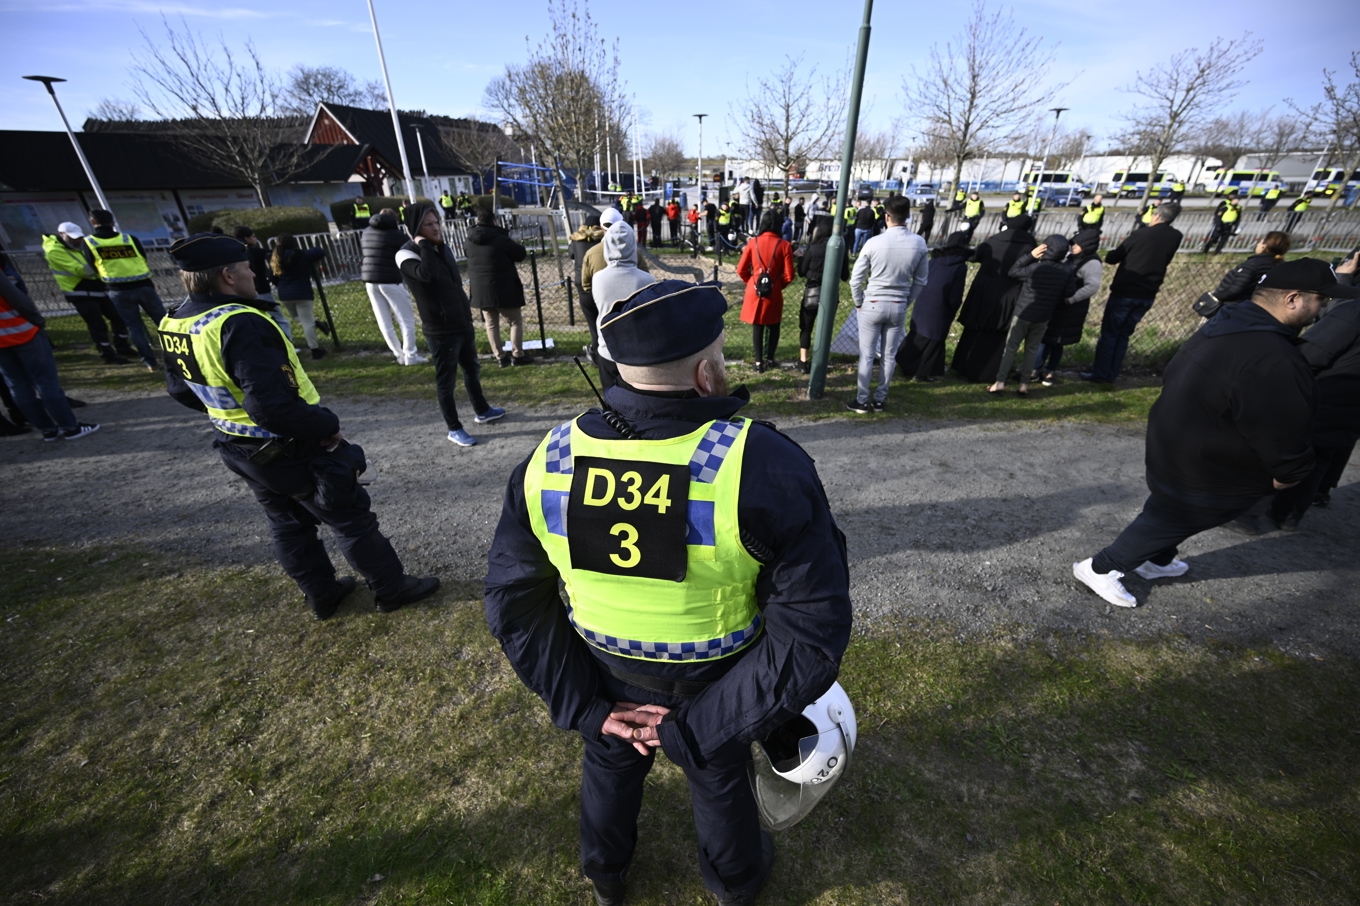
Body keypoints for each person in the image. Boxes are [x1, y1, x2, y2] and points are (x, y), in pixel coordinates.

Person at [483, 279, 852, 906]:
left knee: (609, 761)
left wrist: (588, 708)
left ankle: (605, 876)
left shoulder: (547, 460)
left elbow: (515, 605)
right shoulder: (761, 463)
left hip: (607, 675)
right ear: (708, 372)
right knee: (719, 778)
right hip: (719, 681)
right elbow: (810, 631)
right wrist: (709, 726)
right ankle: (735, 883)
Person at [158, 233, 438, 618]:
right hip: (287, 445)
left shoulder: (174, 319)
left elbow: (180, 389)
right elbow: (269, 407)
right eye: (247, 269)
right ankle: (391, 589)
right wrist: (325, 426)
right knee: (349, 517)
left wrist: (227, 412)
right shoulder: (240, 323)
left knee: (287, 523)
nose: (255, 275)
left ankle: (322, 595)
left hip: (236, 445)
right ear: (227, 275)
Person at [1071, 259, 1353, 608]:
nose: (1322, 309)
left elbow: (1178, 371)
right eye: (1321, 300)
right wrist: (1291, 472)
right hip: (1209, 463)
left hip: (1177, 441)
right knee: (1181, 514)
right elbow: (1278, 427)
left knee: (1173, 510)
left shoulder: (1227, 322)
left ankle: (1156, 560)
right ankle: (1102, 568)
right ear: (1293, 298)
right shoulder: (1272, 357)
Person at [397, 204, 506, 447]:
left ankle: (482, 410)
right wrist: (423, 243)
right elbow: (428, 275)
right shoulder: (406, 254)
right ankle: (454, 428)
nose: (435, 228)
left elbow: (453, 283)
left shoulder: (441, 248)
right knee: (446, 382)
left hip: (462, 323)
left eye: (436, 222)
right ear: (415, 228)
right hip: (441, 331)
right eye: (428, 224)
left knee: (472, 370)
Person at [1266, 252, 1360, 530]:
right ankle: (1288, 516)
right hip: (1350, 407)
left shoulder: (1353, 311)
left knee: (1293, 453)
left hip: (1327, 396)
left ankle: (1260, 513)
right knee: (1320, 460)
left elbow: (1313, 351)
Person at [1082, 202, 1184, 384]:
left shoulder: (1141, 234)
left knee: (1110, 334)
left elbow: (1113, 258)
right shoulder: (1175, 236)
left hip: (1126, 290)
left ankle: (1101, 373)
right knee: (1123, 335)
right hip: (1148, 292)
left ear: (1157, 216)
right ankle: (1112, 373)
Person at [847, 195, 929, 412]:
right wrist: (907, 300)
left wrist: (858, 301)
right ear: (908, 216)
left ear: (886, 217)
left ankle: (862, 400)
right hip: (899, 303)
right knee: (889, 355)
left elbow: (856, 278)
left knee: (867, 354)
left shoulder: (874, 242)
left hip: (872, 302)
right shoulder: (919, 243)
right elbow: (921, 280)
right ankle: (880, 399)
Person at [0, 271, 99, 441]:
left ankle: (47, 429)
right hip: (22, 330)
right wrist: (37, 320)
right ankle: (70, 427)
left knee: (17, 385)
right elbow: (17, 298)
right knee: (44, 381)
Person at [986, 234, 1076, 397]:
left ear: (1045, 249)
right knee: (1032, 349)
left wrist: (1030, 256)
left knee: (1011, 347)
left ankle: (1000, 382)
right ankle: (1024, 385)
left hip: (1023, 312)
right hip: (1043, 316)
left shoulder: (1036, 268)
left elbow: (1013, 272)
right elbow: (1069, 292)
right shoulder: (1066, 271)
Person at [951, 214, 1037, 383]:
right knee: (997, 334)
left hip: (983, 290)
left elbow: (976, 256)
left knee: (974, 329)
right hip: (1009, 294)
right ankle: (988, 372)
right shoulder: (1029, 245)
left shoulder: (994, 239)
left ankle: (963, 366)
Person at [83, 208, 166, 372]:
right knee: (164, 322)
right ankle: (182, 354)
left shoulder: (90, 242)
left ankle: (151, 362)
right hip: (143, 284)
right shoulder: (129, 239)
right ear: (112, 221)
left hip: (118, 290)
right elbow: (143, 257)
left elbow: (91, 265)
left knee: (134, 327)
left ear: (92, 222)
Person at [41, 221, 132, 364]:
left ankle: (123, 346)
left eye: (78, 237)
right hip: (79, 292)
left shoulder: (81, 245)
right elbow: (80, 270)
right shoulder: (54, 250)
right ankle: (107, 354)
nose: (76, 240)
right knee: (97, 324)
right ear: (61, 235)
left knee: (118, 317)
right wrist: (104, 265)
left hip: (98, 288)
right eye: (72, 237)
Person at [591, 219, 657, 390]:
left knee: (611, 403)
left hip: (607, 348)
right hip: (637, 351)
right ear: (633, 246)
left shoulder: (598, 279)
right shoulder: (647, 280)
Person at [897, 231, 972, 382]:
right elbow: (955, 293)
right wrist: (953, 307)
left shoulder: (935, 260)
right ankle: (922, 372)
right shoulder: (960, 266)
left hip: (923, 301)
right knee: (933, 340)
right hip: (941, 306)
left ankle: (906, 366)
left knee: (917, 336)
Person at [1034, 228, 1102, 385]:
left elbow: (1092, 286)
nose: (1073, 246)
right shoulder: (1071, 258)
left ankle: (1049, 371)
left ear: (1087, 246)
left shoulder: (1092, 263)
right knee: (1047, 337)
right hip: (1058, 306)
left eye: (1077, 244)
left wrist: (1071, 299)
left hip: (1071, 309)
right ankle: (1036, 369)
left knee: (1058, 341)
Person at [466, 207, 532, 367]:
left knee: (491, 324)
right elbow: (520, 254)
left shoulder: (469, 239)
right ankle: (517, 355)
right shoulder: (499, 238)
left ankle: (500, 357)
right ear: (494, 221)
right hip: (504, 288)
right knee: (515, 321)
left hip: (481, 290)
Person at [359, 210, 424, 366]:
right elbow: (412, 250)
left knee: (384, 321)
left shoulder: (366, 232)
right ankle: (411, 356)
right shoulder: (396, 235)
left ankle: (399, 355)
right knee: (406, 319)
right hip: (390, 280)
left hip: (370, 281)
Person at [737, 209, 797, 373]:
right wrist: (777, 285)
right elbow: (790, 275)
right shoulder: (785, 245)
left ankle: (758, 363)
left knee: (758, 326)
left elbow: (741, 269)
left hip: (755, 288)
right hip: (774, 290)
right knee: (774, 326)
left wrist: (751, 282)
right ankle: (770, 359)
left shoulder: (753, 243)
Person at [794, 214, 849, 375]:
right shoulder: (840, 249)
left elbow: (802, 272)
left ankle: (803, 361)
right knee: (825, 328)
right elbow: (845, 275)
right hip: (831, 294)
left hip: (812, 292)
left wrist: (801, 259)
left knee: (806, 327)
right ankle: (822, 359)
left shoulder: (814, 247)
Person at [1199, 231, 1292, 317]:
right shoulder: (1280, 267)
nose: (1258, 244)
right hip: (1252, 309)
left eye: (1261, 242)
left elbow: (1235, 289)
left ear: (1265, 246)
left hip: (1230, 308)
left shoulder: (1254, 264)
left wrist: (1215, 296)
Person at [270, 234, 329, 360]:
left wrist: (281, 284)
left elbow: (271, 276)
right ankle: (315, 350)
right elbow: (320, 251)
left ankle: (316, 323)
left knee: (297, 318)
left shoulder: (276, 258)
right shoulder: (302, 255)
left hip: (285, 294)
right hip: (302, 292)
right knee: (307, 322)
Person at [570, 213, 606, 360]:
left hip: (583, 286)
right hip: (601, 284)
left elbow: (571, 255)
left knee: (593, 324)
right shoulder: (602, 240)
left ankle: (597, 354)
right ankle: (607, 353)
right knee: (604, 320)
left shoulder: (576, 241)